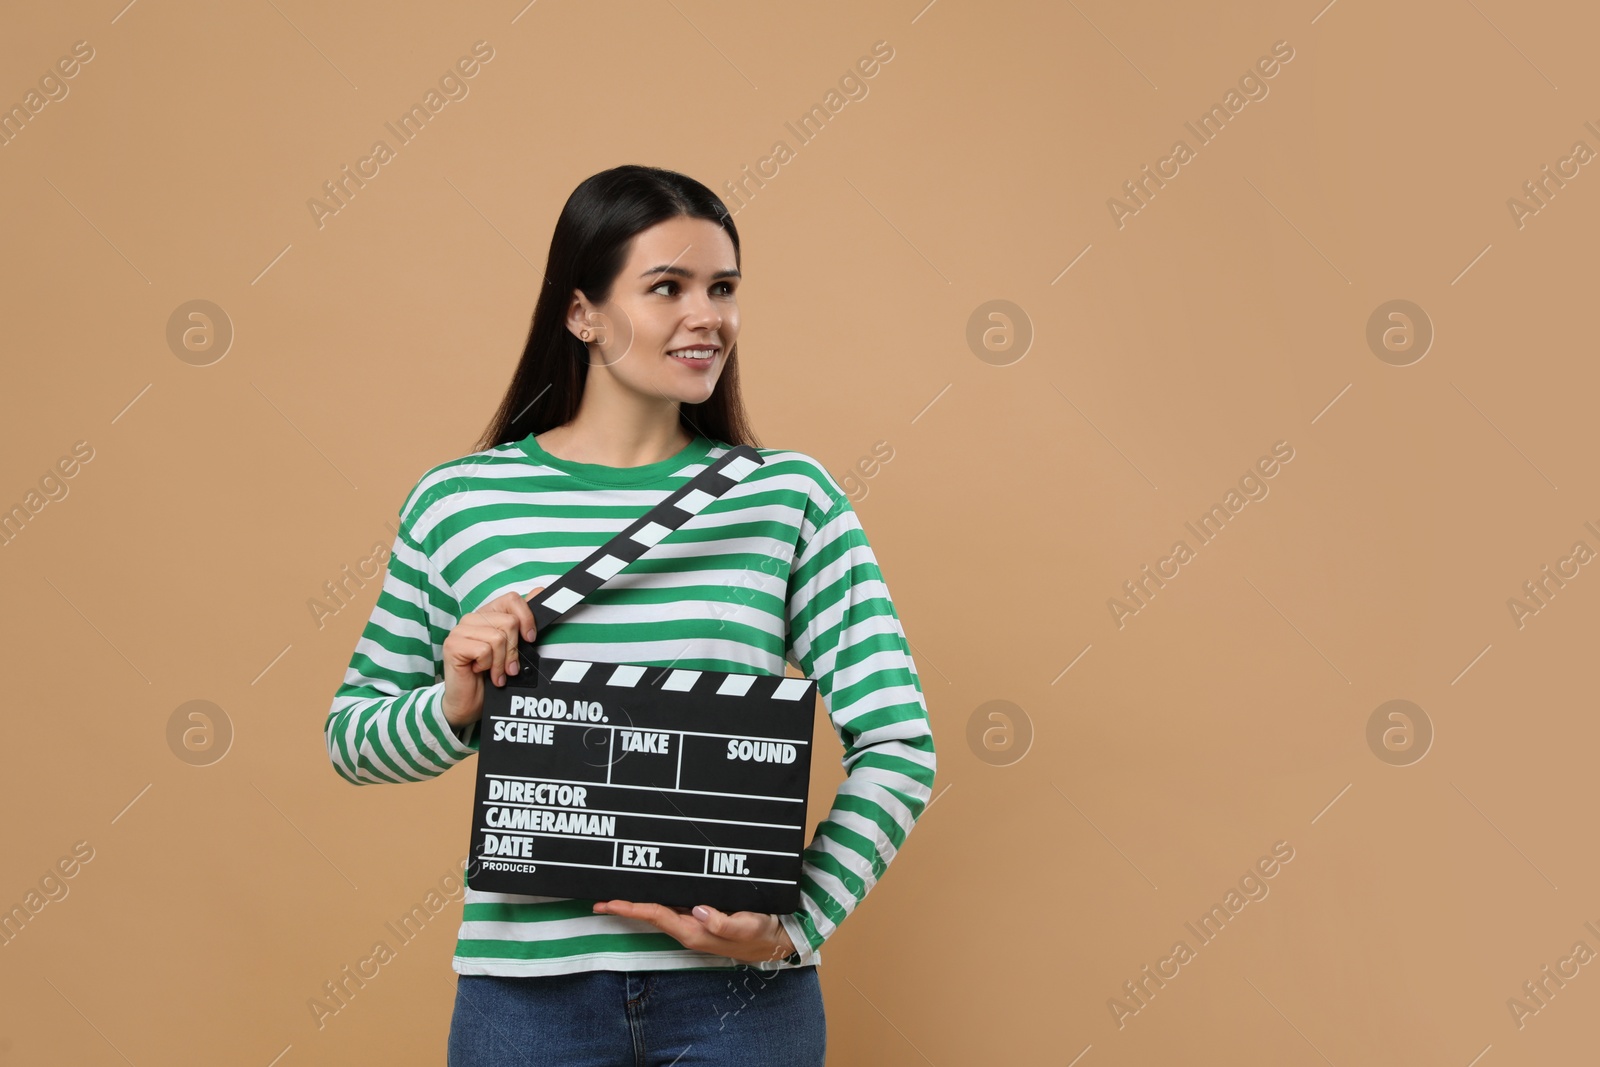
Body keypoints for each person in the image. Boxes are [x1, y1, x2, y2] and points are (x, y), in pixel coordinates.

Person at [323, 164, 936, 1066]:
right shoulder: (460, 501)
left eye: (723, 288)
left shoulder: (788, 498)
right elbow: (352, 739)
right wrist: (453, 702)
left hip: (740, 1003)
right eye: (667, 288)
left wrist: (795, 921)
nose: (707, 317)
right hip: (526, 1000)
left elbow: (900, 742)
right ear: (582, 313)